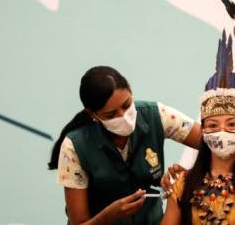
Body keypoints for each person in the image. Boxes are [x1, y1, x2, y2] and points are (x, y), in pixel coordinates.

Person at [48, 66, 201, 225]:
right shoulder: (74, 146)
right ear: (93, 114)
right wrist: (108, 216)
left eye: (127, 105)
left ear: (130, 89)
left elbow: (217, 145)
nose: (123, 117)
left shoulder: (157, 115)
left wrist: (188, 176)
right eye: (111, 115)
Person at [161, 30, 235, 225]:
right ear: (202, 130)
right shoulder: (183, 184)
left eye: (232, 124)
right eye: (212, 124)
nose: (222, 130)